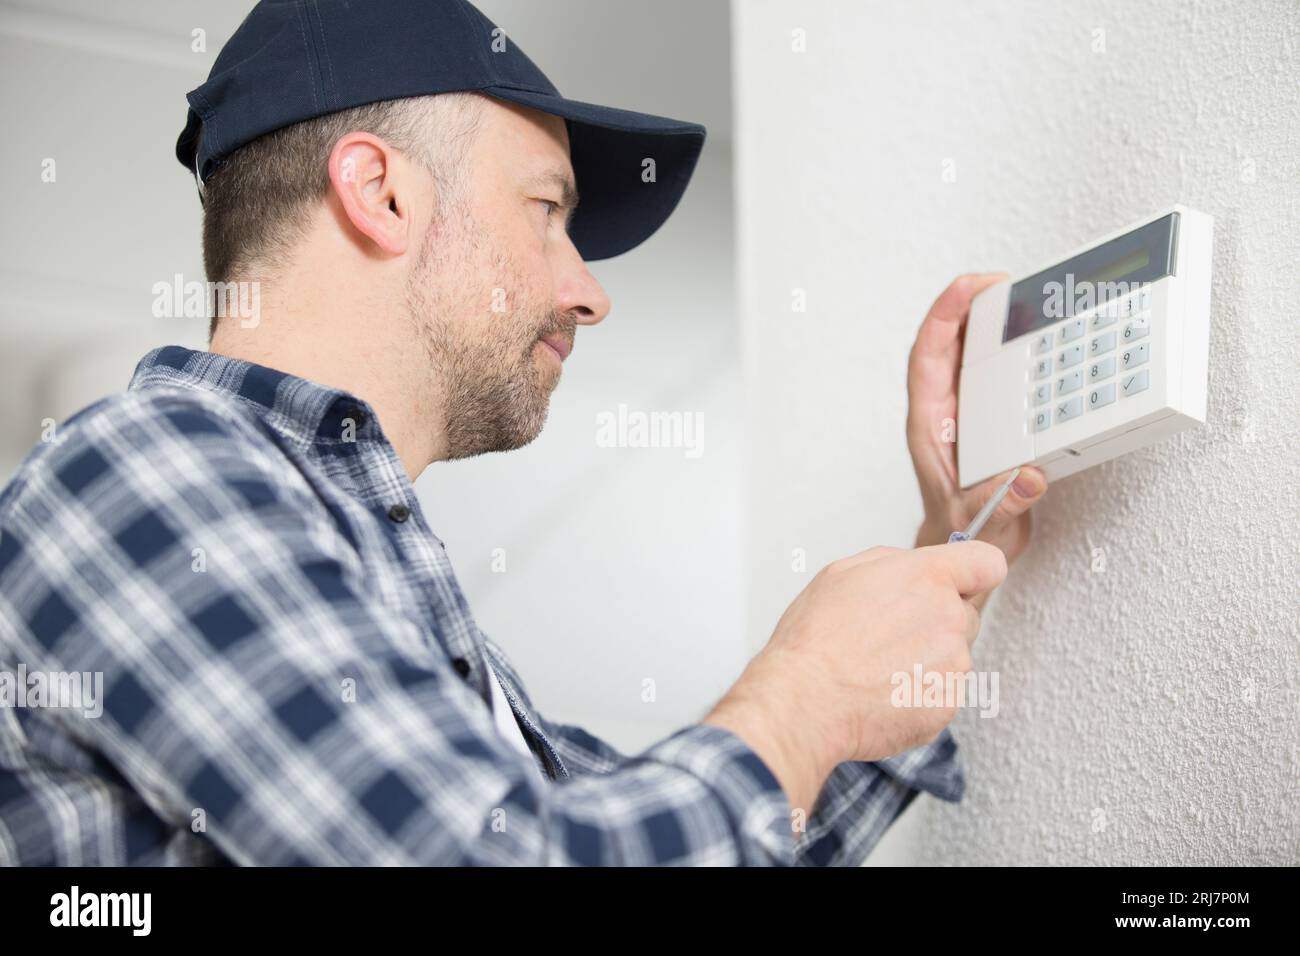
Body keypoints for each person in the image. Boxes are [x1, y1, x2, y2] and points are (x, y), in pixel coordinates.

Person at [0, 0, 1046, 865]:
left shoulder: (411, 631)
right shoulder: (146, 475)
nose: (588, 293)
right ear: (382, 191)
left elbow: (662, 842)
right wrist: (803, 691)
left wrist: (951, 540)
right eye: (548, 209)